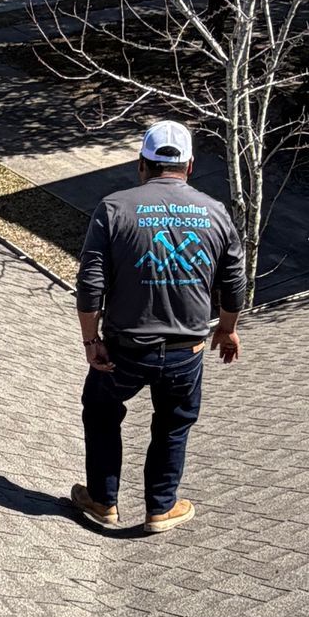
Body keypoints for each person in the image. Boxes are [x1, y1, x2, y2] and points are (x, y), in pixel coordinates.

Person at [71, 121, 244, 533]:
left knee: (101, 412)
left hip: (124, 349)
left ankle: (102, 502)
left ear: (141, 165)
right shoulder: (215, 212)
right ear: (190, 165)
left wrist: (90, 339)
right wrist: (227, 328)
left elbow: (90, 282)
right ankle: (159, 509)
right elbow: (234, 280)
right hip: (186, 350)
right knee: (172, 425)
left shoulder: (114, 209)